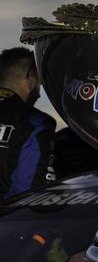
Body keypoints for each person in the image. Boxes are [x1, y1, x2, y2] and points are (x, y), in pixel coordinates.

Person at [0, 47, 56, 201]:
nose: (38, 93)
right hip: (9, 222)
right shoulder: (34, 123)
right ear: (31, 82)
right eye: (39, 84)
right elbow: (29, 194)